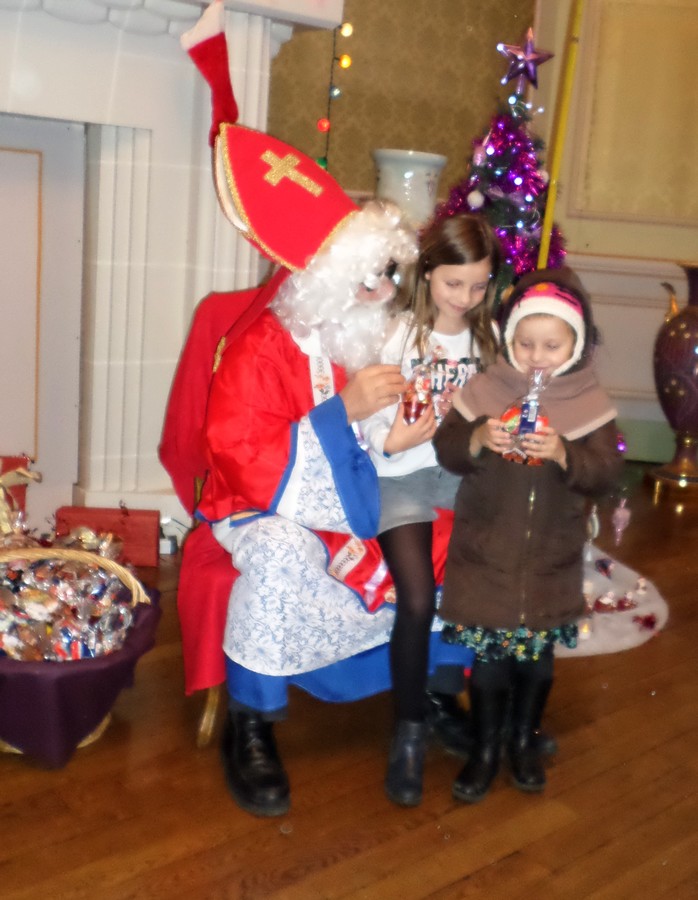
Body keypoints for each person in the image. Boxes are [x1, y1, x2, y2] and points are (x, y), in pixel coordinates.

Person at [168, 0, 473, 818]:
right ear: (326, 282)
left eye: (386, 277)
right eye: (364, 280)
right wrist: (341, 416)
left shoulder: (387, 334)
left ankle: (432, 685)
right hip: (269, 502)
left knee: (450, 523)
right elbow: (236, 450)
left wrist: (416, 433)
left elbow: (412, 426)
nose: (379, 292)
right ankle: (253, 721)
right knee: (280, 555)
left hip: (375, 490)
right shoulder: (265, 344)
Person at [433, 267, 623, 803]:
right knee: (488, 665)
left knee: (536, 663)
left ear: (575, 344)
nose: (537, 357)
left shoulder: (589, 401)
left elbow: (606, 474)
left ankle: (522, 741)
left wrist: (565, 454)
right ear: (509, 340)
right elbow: (448, 449)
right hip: (487, 556)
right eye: (526, 343)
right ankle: (485, 748)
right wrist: (477, 437)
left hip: (548, 561)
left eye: (552, 345)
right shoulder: (487, 388)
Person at [359, 213, 500, 806]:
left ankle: (475, 707)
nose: (465, 298)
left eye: (478, 285)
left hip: (462, 474)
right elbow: (368, 414)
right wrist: (392, 440)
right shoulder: (398, 334)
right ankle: (410, 728)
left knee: (495, 573)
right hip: (400, 476)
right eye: (453, 284)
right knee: (416, 598)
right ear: (428, 274)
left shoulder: (488, 340)